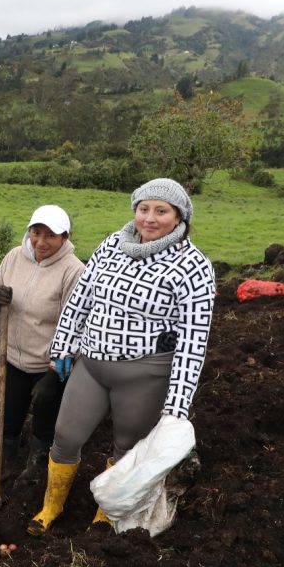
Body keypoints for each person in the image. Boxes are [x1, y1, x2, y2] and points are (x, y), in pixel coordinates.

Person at [27, 178, 216, 536]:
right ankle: (52, 505)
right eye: (144, 208)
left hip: (144, 373)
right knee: (65, 436)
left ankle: (108, 513)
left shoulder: (193, 266)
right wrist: (63, 344)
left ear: (179, 216)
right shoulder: (113, 244)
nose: (150, 218)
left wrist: (177, 406)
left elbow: (193, 341)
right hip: (92, 364)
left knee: (127, 447)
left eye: (161, 211)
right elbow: (81, 298)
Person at [0, 205, 85, 485]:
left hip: (48, 366)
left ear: (64, 237)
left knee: (44, 426)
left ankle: (34, 477)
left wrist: (54, 374)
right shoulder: (14, 256)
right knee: (8, 420)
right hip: (12, 359)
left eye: (50, 235)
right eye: (36, 233)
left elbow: (77, 326)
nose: (40, 242)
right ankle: (2, 469)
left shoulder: (74, 270)